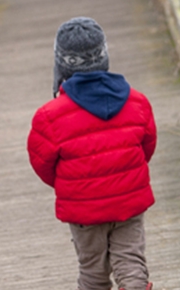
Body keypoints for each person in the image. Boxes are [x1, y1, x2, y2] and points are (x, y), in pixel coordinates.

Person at [26, 17, 157, 290]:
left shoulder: (49, 117)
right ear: (103, 56)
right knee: (131, 263)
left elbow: (43, 165)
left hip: (83, 208)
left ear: (61, 63)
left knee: (92, 273)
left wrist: (76, 182)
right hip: (128, 201)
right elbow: (146, 146)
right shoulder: (137, 102)